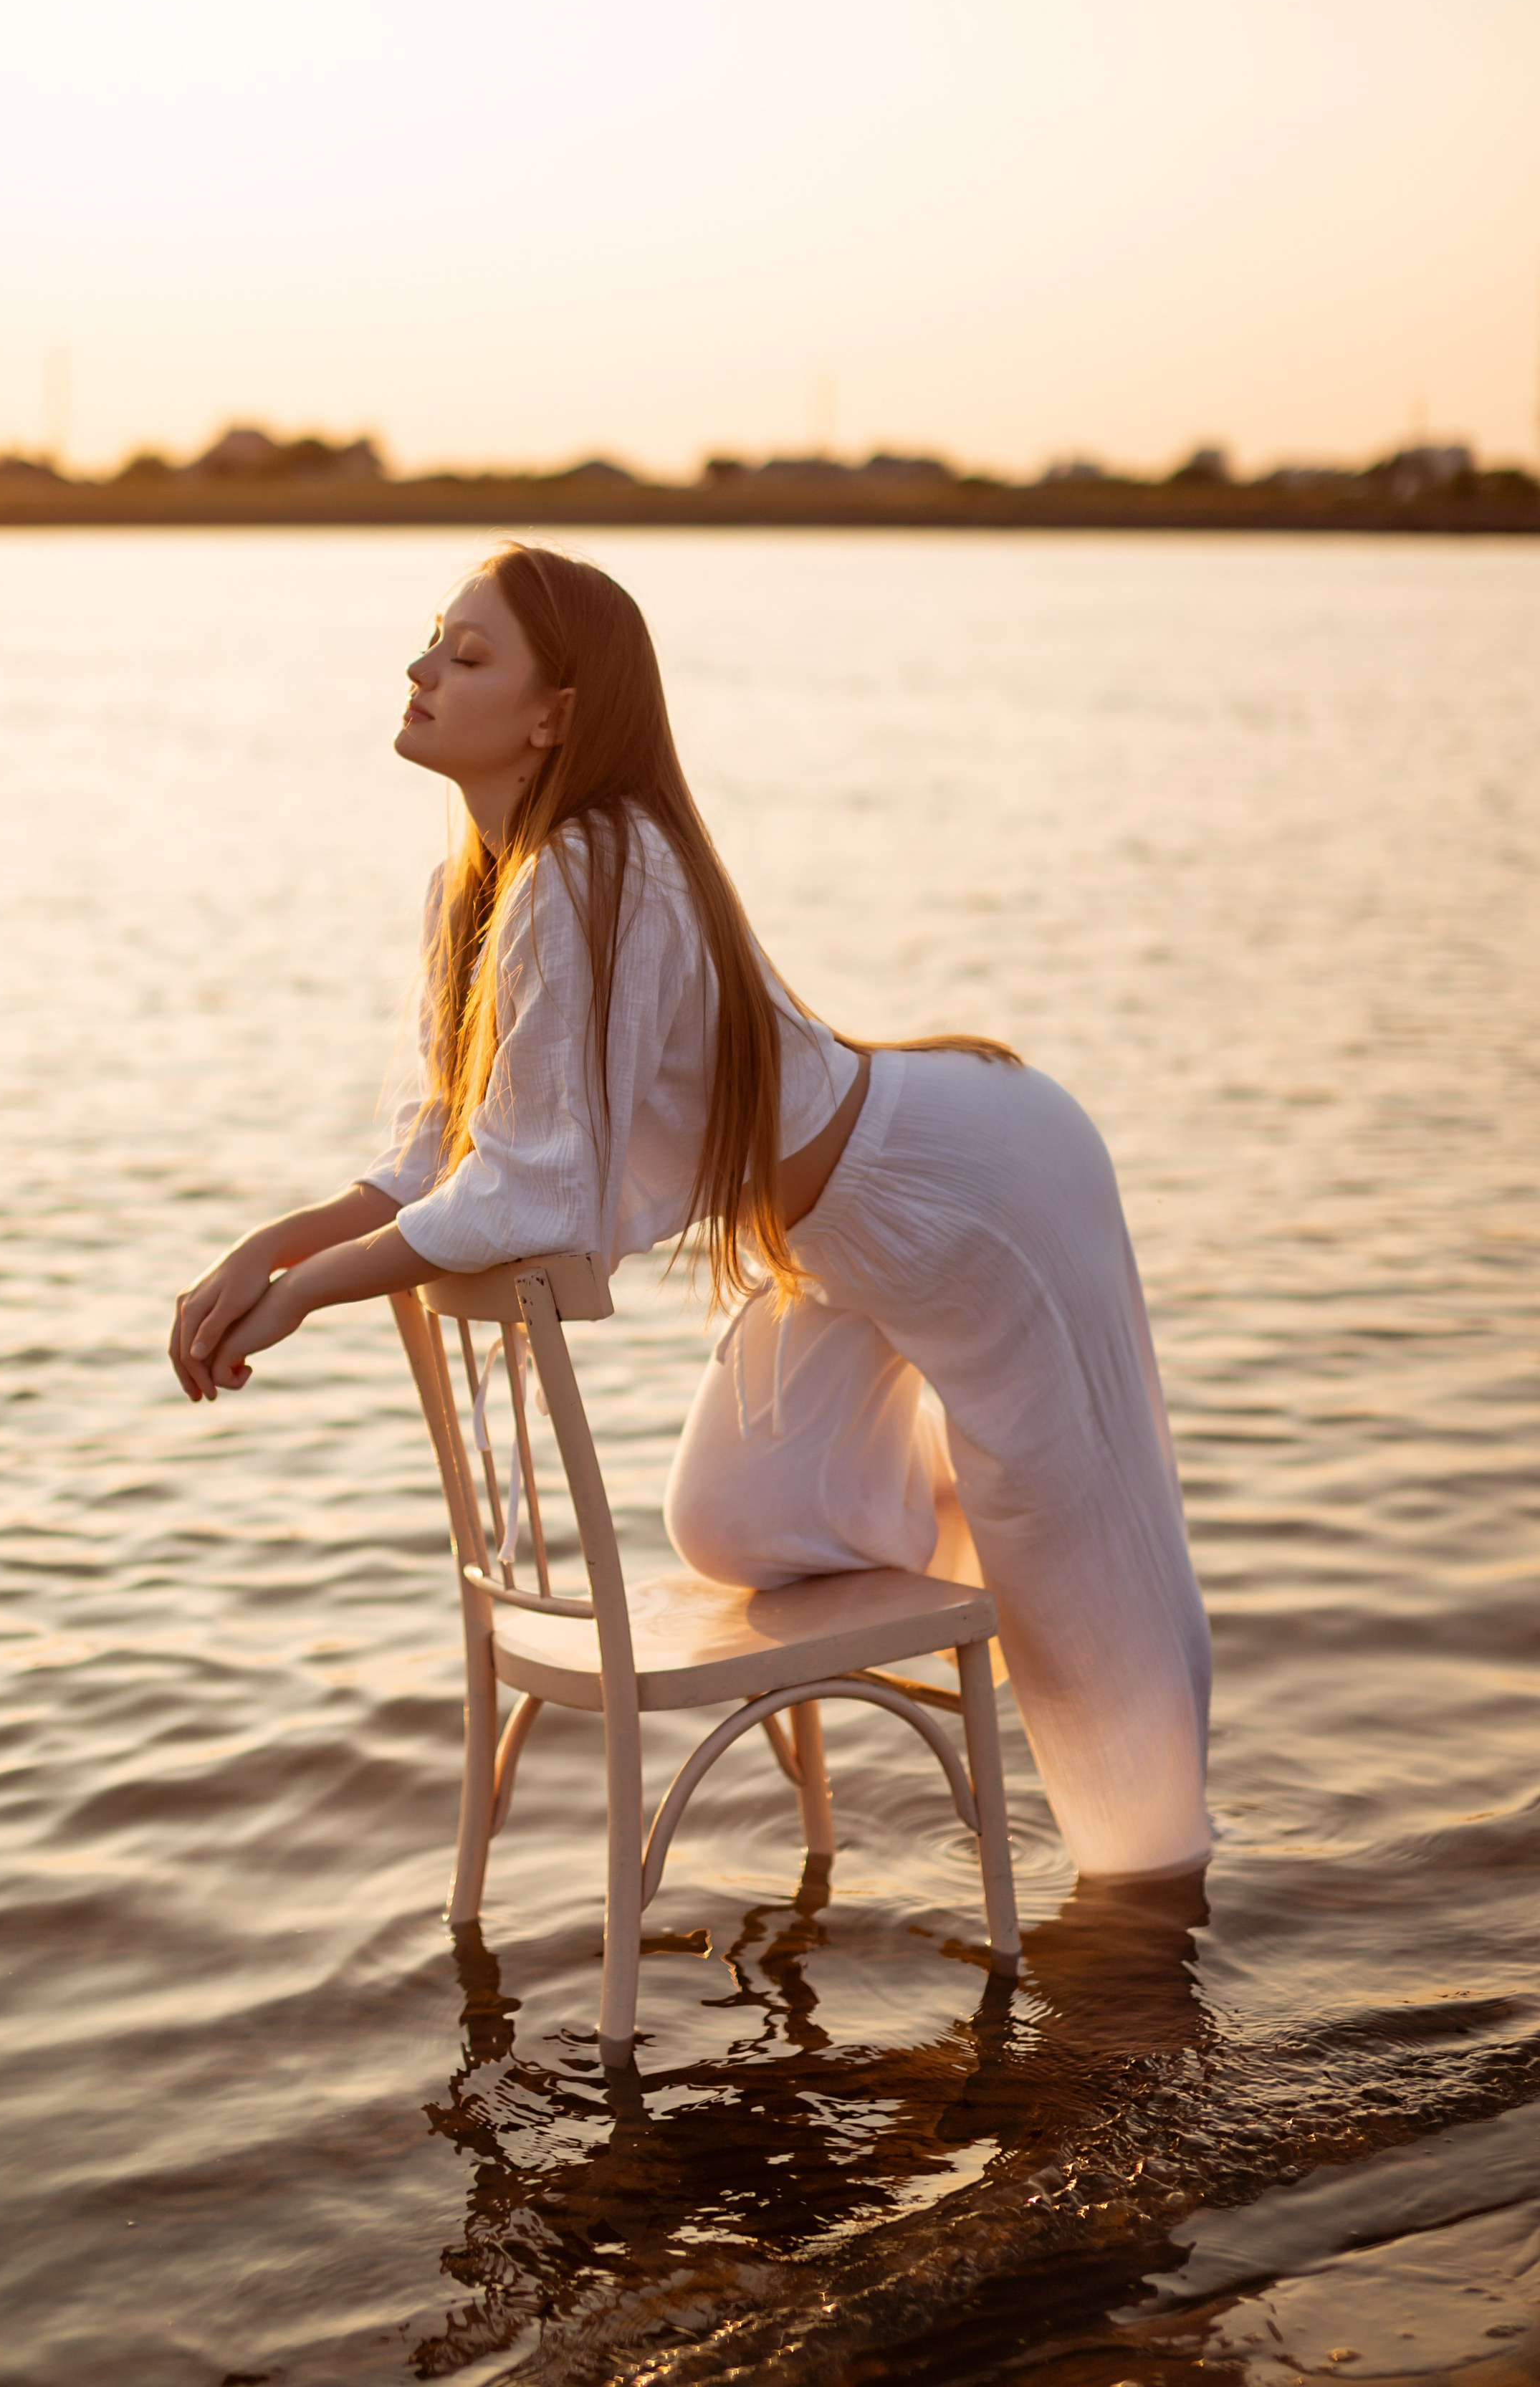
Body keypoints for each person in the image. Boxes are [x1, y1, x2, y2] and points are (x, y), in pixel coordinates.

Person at [168, 545, 1213, 1880]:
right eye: (433, 639)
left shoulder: (605, 865)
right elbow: (441, 1159)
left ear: (556, 713)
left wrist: (313, 1293)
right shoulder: (478, 891)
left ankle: (1151, 1894)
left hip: (978, 1191)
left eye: (468, 655)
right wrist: (267, 1249)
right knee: (727, 1521)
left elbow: (533, 1190)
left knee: (1102, 1621)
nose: (421, 668)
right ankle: (986, 1519)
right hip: (825, 1244)